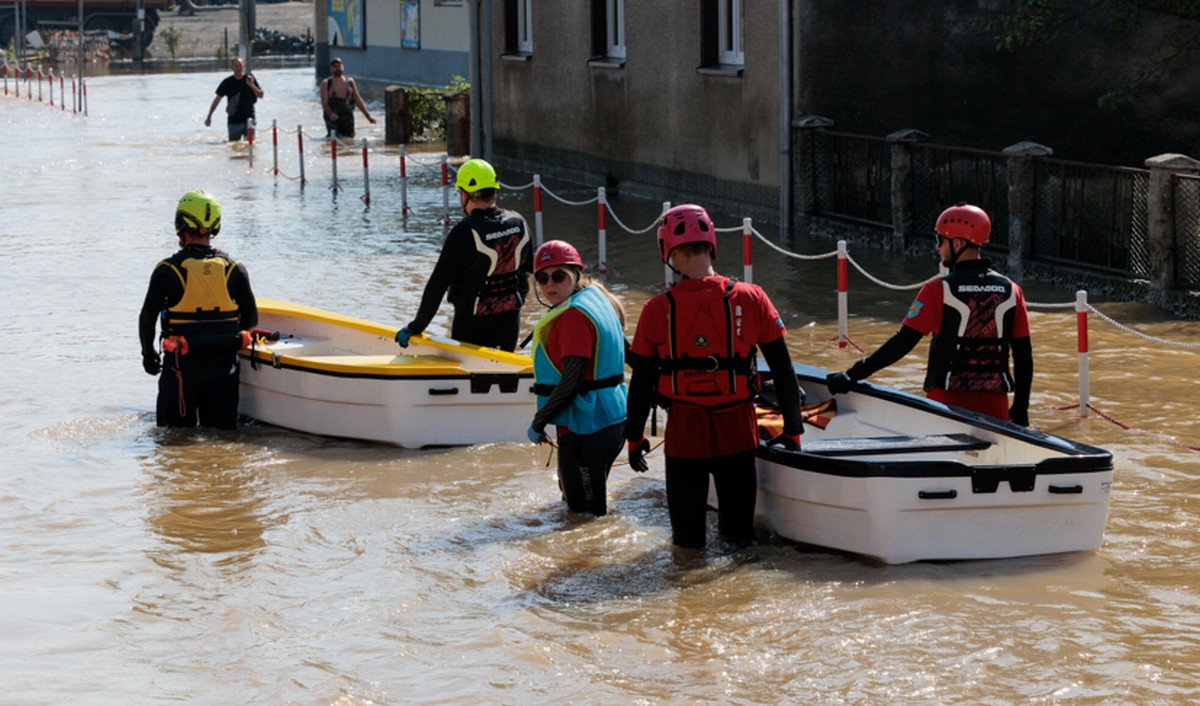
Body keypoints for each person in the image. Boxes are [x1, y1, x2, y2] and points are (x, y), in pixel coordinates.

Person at [623, 204, 804, 549]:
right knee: (739, 541)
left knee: (687, 547)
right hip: (737, 429)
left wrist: (634, 437)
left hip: (684, 434)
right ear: (712, 244)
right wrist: (793, 431)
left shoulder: (656, 309)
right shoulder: (752, 298)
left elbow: (642, 383)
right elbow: (784, 371)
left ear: (669, 251)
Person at [825, 203, 1033, 425]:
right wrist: (1020, 408)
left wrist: (851, 375)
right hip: (996, 409)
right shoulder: (1012, 290)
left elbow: (902, 343)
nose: (937, 248)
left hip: (945, 405)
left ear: (959, 243)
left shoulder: (937, 290)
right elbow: (1023, 357)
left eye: (940, 241)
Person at [138, 191, 258, 429]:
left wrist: (147, 353)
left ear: (180, 225)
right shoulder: (235, 269)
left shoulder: (167, 270)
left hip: (181, 370)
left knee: (174, 440)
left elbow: (147, 317)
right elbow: (251, 318)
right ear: (215, 225)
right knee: (222, 439)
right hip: (224, 369)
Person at [526, 240, 628, 516]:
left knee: (583, 518)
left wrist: (539, 421)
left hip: (588, 429)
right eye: (542, 278)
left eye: (558, 276)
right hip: (612, 421)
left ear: (576, 275)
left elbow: (570, 381)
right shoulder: (596, 300)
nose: (550, 285)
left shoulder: (573, 317)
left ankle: (593, 560)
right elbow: (631, 355)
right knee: (579, 508)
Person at [394, 158, 533, 351]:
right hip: (510, 323)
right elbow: (527, 273)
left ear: (465, 195)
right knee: (506, 377)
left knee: (474, 379)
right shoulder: (518, 223)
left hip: (471, 326)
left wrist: (416, 326)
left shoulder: (464, 232)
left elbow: (437, 284)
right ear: (494, 191)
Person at [204, 57, 264, 142]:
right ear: (231, 68)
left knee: (250, 145)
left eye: (240, 66)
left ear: (244, 66)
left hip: (249, 119)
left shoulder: (250, 78)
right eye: (236, 66)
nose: (238, 68)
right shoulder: (227, 82)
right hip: (234, 120)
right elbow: (217, 99)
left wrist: (251, 85)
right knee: (234, 146)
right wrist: (209, 116)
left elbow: (261, 95)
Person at [321, 57, 376, 139]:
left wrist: (368, 116)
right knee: (334, 139)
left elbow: (358, 100)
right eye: (335, 66)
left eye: (339, 66)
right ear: (331, 69)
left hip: (347, 116)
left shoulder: (350, 81)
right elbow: (324, 103)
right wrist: (331, 114)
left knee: (349, 139)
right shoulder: (326, 83)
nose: (337, 68)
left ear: (343, 67)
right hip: (333, 117)